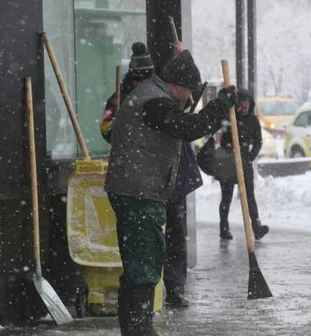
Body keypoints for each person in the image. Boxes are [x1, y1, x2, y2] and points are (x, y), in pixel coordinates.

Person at [105, 46, 237, 335]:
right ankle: (138, 328)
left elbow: (182, 119)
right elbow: (189, 127)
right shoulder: (155, 103)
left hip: (136, 188)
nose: (188, 98)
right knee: (144, 263)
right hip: (139, 191)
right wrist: (219, 106)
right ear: (178, 86)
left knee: (143, 260)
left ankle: (137, 326)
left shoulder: (152, 96)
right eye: (188, 92)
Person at [100, 42, 199, 308]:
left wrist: (184, 57)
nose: (143, 79)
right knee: (145, 252)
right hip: (142, 180)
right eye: (139, 75)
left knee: (174, 234)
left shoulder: (163, 92)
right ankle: (140, 317)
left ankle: (175, 286)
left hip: (168, 174)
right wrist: (123, 129)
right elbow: (107, 127)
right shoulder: (129, 97)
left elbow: (186, 110)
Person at [218, 88, 269, 241]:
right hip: (228, 162)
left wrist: (250, 157)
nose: (245, 110)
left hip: (245, 161)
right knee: (226, 197)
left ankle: (256, 227)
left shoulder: (253, 121)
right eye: (242, 107)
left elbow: (258, 141)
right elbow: (222, 140)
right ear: (238, 105)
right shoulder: (229, 118)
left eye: (247, 107)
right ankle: (224, 227)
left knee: (249, 197)